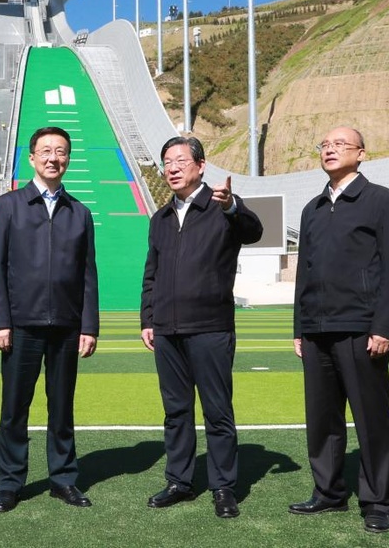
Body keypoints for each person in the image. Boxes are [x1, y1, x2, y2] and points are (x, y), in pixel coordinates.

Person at [289, 127, 389, 534]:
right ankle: (328, 492)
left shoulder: (383, 202)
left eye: (340, 144)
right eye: (324, 144)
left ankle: (378, 501)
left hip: (361, 328)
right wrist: (299, 329)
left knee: (371, 418)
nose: (330, 149)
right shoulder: (313, 209)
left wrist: (384, 326)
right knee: (321, 419)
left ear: (362, 153)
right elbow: (304, 273)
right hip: (316, 329)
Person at [140, 136, 263, 518]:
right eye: (167, 162)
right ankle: (179, 480)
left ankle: (223, 486)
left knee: (217, 411)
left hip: (210, 327)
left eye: (180, 160)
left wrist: (233, 207)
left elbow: (253, 230)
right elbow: (152, 274)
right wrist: (148, 318)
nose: (172, 168)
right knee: (176, 411)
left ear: (201, 165)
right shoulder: (159, 219)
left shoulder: (220, 207)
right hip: (167, 331)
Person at [0, 126, 99, 513]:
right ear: (31, 158)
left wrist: (89, 326)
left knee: (62, 406)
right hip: (21, 326)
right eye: (46, 151)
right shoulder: (9, 205)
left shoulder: (80, 212)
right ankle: (10, 483)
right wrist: (0, 321)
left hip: (67, 326)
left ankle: (63, 479)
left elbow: (88, 274)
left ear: (68, 159)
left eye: (61, 151)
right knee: (15, 408)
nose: (54, 157)